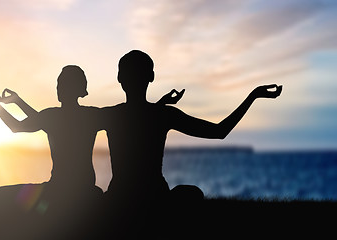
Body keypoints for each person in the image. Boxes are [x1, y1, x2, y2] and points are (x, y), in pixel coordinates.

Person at [0, 65, 183, 214]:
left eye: (62, 83)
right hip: (85, 191)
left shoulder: (53, 116)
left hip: (57, 190)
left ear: (69, 88)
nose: (58, 87)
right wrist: (16, 101)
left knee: (0, 195)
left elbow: (20, 125)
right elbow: (135, 114)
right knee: (2, 194)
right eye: (59, 83)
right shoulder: (90, 115)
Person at [102, 50, 282, 208]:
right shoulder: (163, 115)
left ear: (119, 78)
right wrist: (253, 96)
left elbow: (137, 121)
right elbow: (220, 131)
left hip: (119, 200)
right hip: (155, 198)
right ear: (151, 77)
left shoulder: (110, 115)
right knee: (192, 194)